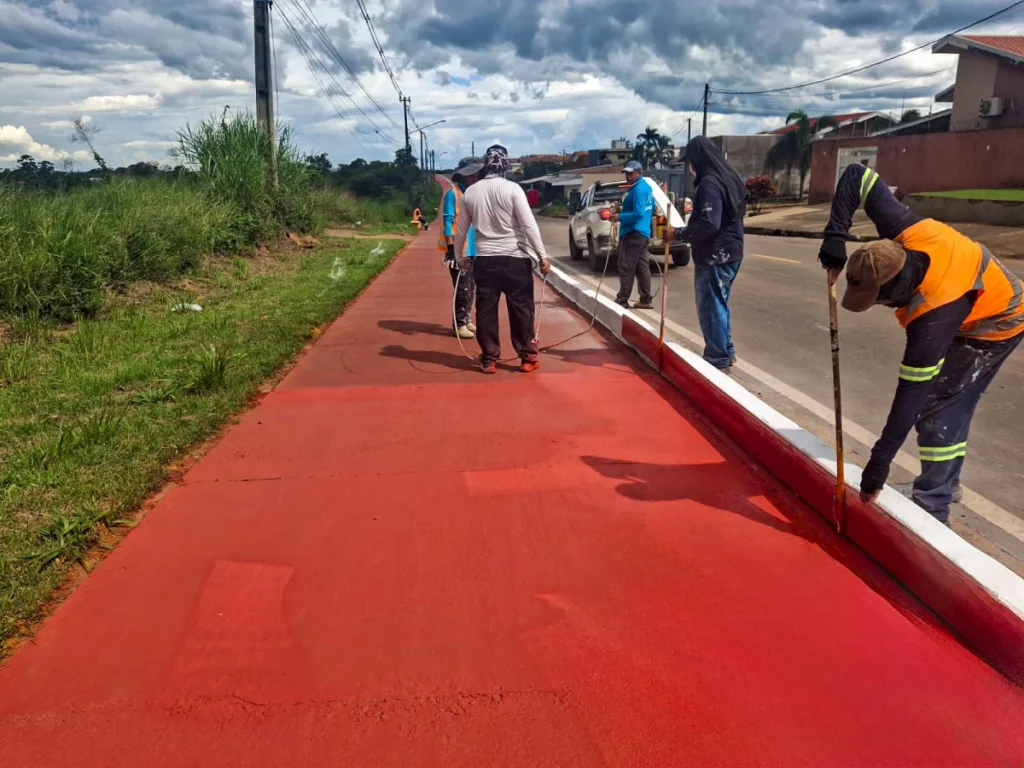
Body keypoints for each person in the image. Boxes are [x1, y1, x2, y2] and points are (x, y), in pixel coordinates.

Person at [819, 163, 1024, 524]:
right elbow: (856, 174)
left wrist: (876, 469)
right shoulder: (904, 233)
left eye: (878, 299)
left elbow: (908, 398)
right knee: (946, 403)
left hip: (999, 322)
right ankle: (946, 482)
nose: (881, 307)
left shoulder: (932, 316)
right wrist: (835, 235)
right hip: (969, 300)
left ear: (895, 288)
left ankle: (934, 503)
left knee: (937, 412)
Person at [457, 144, 551, 375]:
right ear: (506, 164)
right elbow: (528, 224)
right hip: (515, 258)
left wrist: (459, 256)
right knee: (521, 308)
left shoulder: (471, 192)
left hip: (485, 260)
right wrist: (542, 256)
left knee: (486, 310)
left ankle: (489, 359)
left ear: (485, 165)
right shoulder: (513, 189)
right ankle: (528, 357)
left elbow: (461, 229)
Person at [672, 136, 747, 373]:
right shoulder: (728, 178)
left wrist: (678, 234)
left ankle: (717, 358)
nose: (690, 167)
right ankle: (726, 349)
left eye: (691, 162)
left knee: (711, 305)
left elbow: (709, 224)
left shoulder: (709, 184)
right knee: (719, 302)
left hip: (716, 255)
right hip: (730, 252)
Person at [440, 156, 484, 339]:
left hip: (473, 248)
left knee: (472, 287)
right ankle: (458, 324)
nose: (474, 178)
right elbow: (448, 221)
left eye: (476, 174)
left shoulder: (474, 194)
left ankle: (466, 319)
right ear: (462, 176)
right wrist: (451, 250)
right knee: (462, 288)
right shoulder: (453, 194)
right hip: (459, 250)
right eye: (470, 175)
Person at [611, 160, 655, 309]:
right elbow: (652, 208)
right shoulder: (646, 188)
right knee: (642, 267)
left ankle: (622, 299)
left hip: (633, 233)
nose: (628, 176)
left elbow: (638, 213)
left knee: (626, 266)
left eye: (631, 173)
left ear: (639, 173)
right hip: (642, 233)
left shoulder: (638, 190)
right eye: (626, 173)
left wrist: (619, 217)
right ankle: (645, 299)